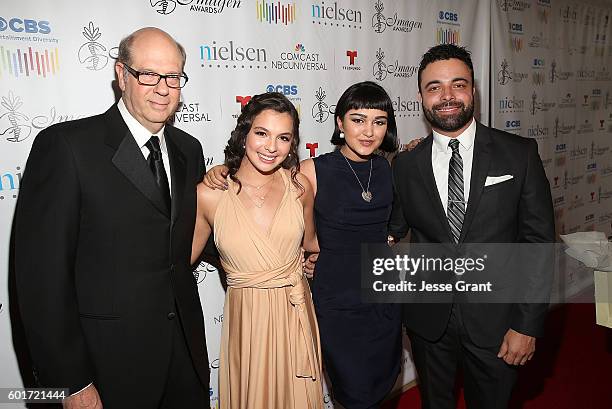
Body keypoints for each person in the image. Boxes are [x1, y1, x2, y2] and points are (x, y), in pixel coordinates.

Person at [14, 27, 209, 408]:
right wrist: (71, 381)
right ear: (122, 75)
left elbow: (186, 239)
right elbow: (41, 280)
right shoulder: (67, 147)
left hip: (183, 360)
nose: (163, 88)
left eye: (173, 77)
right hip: (108, 367)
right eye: (148, 75)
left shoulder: (189, 149)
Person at [204, 81, 403, 408]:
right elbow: (263, 180)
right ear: (340, 123)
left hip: (383, 299)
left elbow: (398, 221)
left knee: (381, 387)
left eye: (379, 122)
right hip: (336, 303)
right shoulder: (310, 171)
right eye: (358, 119)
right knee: (353, 393)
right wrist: (224, 169)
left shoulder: (389, 167)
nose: (368, 131)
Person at [388, 44, 555, 409]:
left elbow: (538, 244)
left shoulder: (519, 153)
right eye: (434, 87)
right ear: (420, 97)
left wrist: (526, 324)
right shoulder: (405, 164)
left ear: (473, 90)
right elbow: (392, 227)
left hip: (498, 321)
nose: (446, 96)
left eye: (457, 84)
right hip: (428, 323)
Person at [191, 92, 323, 408]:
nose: (270, 147)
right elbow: (177, 263)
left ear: (293, 144)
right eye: (261, 133)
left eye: (283, 138)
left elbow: (313, 245)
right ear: (244, 134)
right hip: (247, 321)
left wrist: (319, 261)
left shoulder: (300, 188)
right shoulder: (209, 194)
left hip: (294, 316)